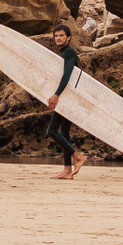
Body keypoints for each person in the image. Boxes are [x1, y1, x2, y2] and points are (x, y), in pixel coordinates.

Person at [45, 20, 88, 179]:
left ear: (68, 38)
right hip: (69, 97)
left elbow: (67, 75)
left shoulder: (69, 52)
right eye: (56, 36)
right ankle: (67, 171)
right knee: (64, 133)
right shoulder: (64, 53)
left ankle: (78, 157)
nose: (58, 38)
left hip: (67, 98)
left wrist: (56, 95)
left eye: (61, 35)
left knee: (51, 131)